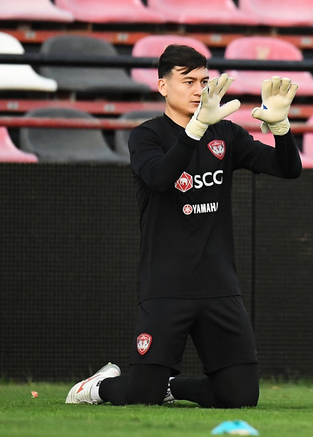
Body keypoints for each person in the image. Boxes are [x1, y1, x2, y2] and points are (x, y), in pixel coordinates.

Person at [65, 44, 301, 408]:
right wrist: (197, 127)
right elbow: (161, 179)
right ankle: (96, 387)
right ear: (163, 86)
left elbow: (288, 169)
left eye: (203, 81)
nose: (198, 89)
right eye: (188, 81)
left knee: (240, 396)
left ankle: (173, 387)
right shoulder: (146, 136)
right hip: (166, 286)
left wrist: (281, 128)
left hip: (219, 286)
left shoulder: (227, 134)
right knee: (143, 396)